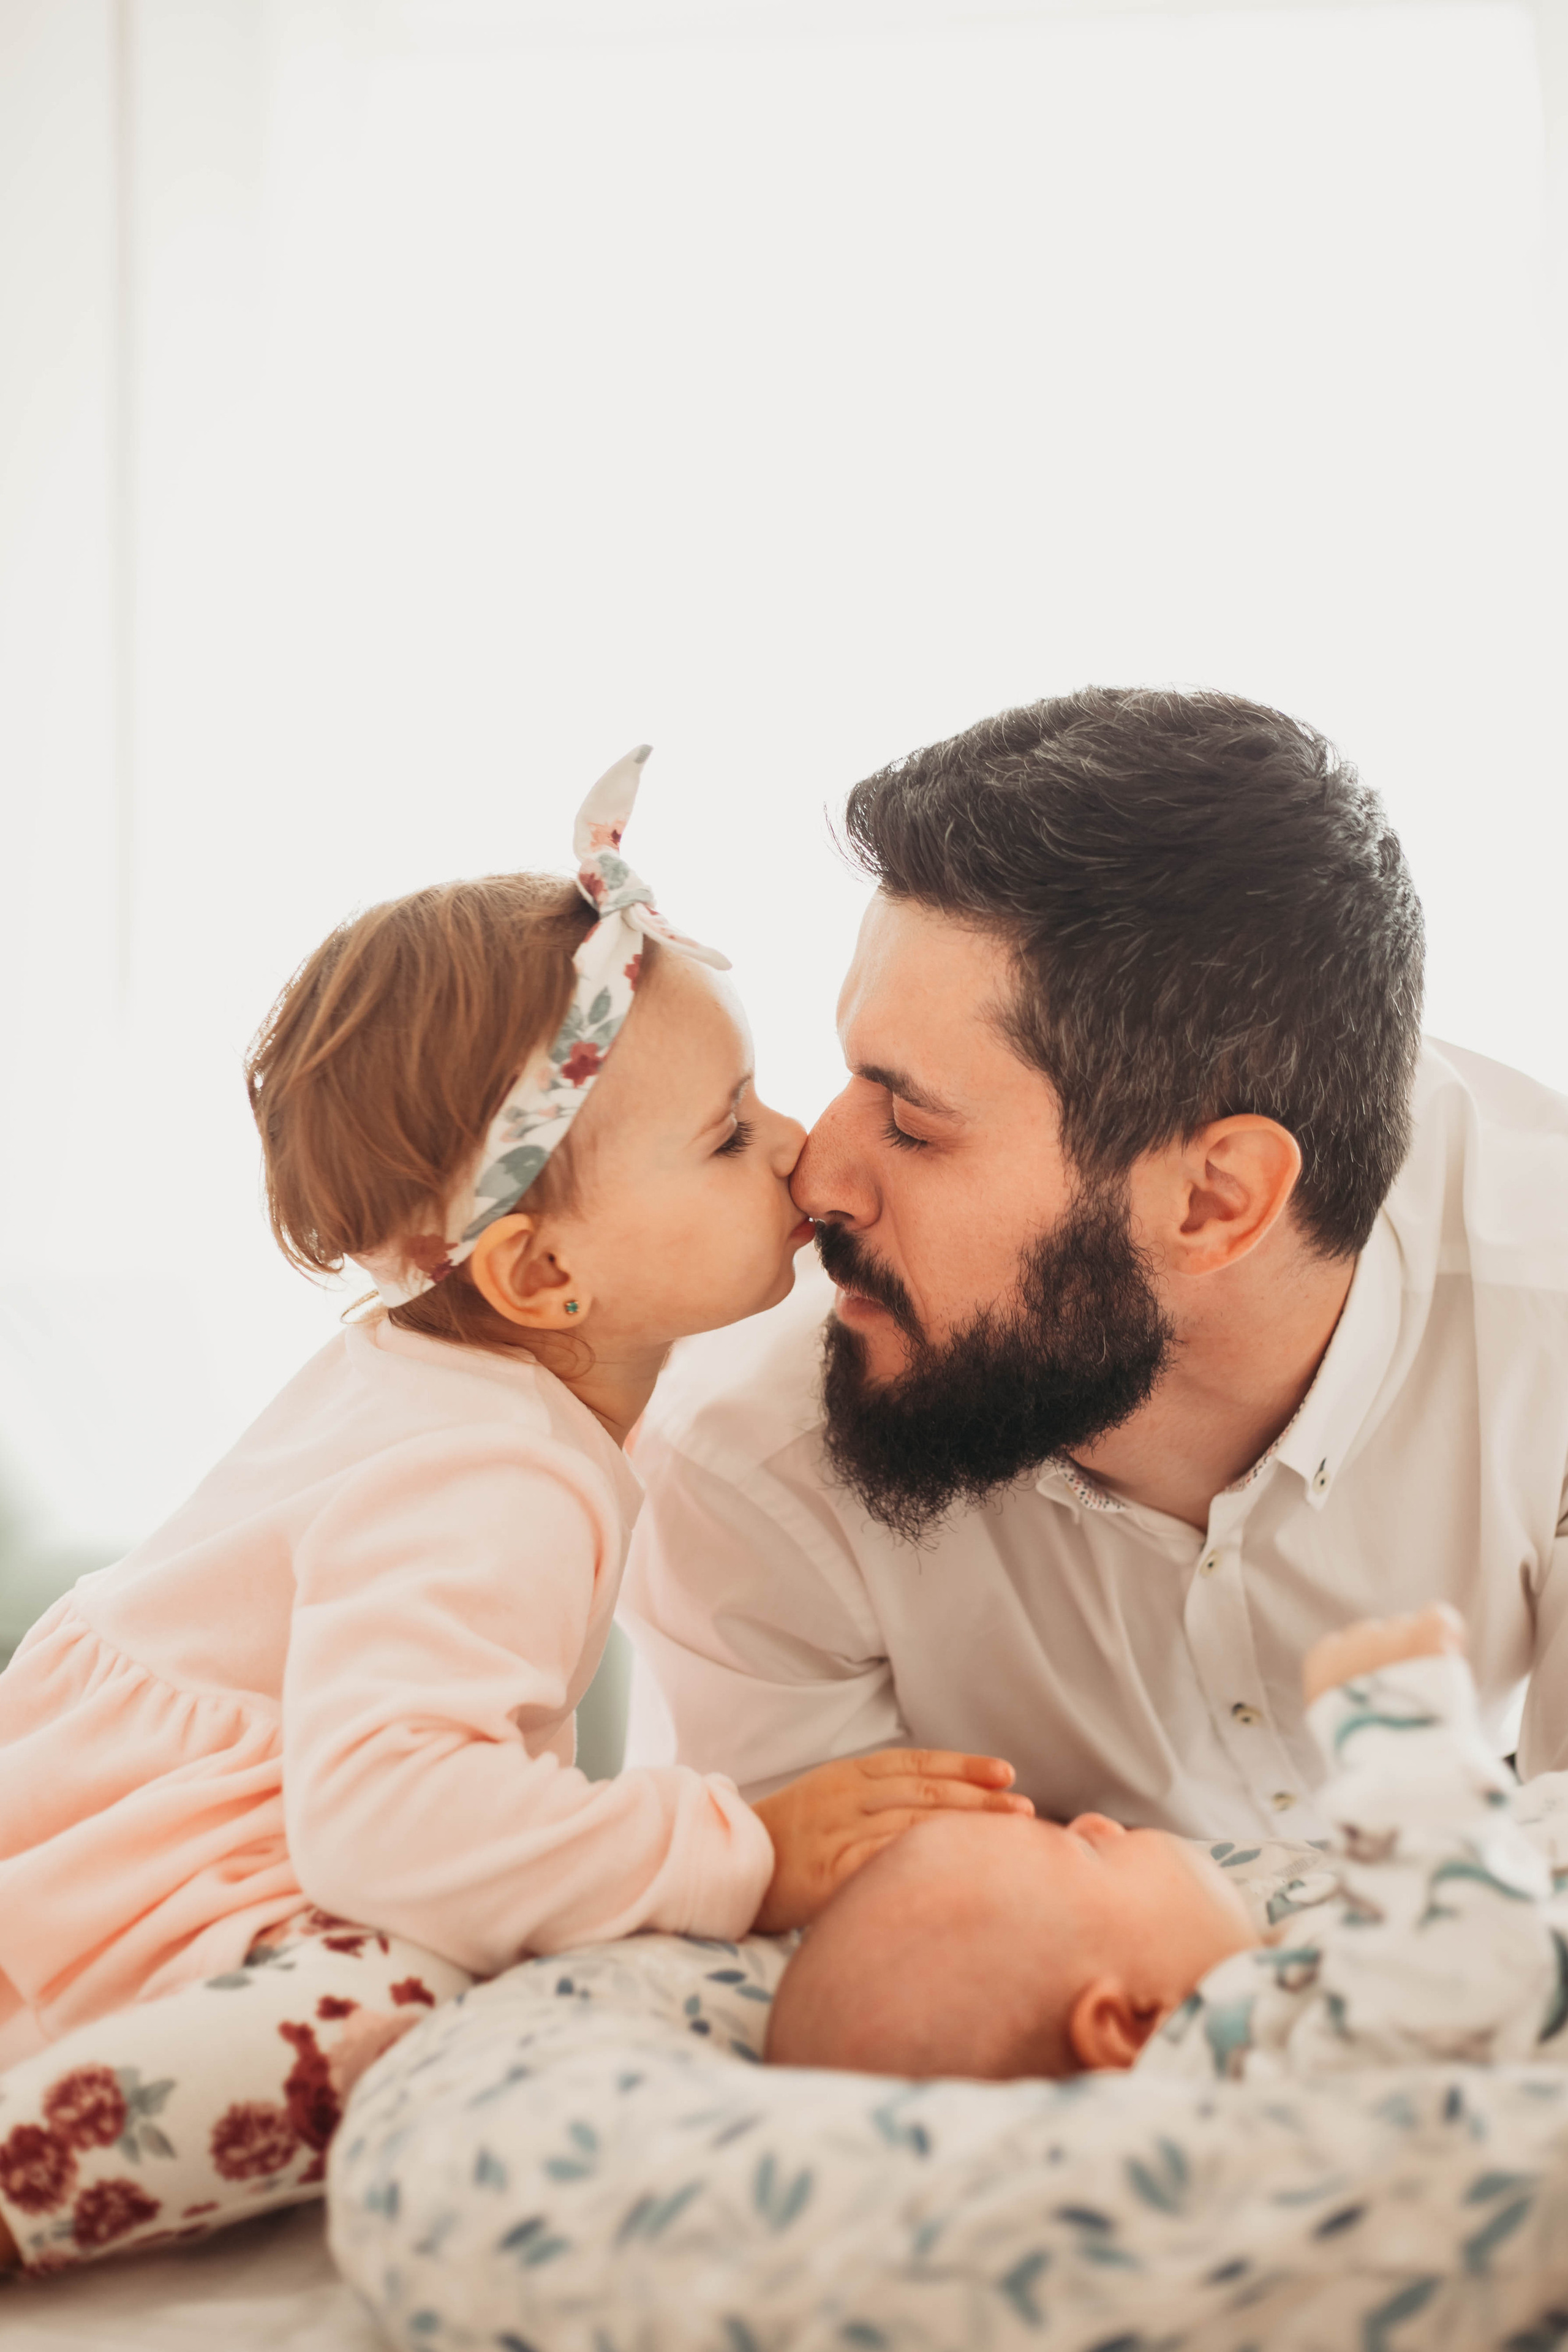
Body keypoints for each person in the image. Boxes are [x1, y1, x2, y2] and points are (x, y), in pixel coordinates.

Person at [0, 750, 1025, 2274]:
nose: (803, 1143)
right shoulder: (489, 1473)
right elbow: (389, 1820)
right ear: (544, 1277)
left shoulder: (457, 1387)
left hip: (136, 1836)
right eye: (729, 1130)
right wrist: (733, 1848)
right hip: (146, 1880)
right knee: (411, 2002)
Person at [622, 688, 1568, 1839]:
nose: (816, 1178)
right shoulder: (742, 1453)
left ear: (1216, 1200)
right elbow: (839, 1972)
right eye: (853, 1075)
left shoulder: (1545, 1308)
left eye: (913, 1125)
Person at [766, 1603, 1568, 2084]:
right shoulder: (1255, 2051)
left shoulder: (1261, 1995)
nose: (1093, 1822)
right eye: (1080, 1851)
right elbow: (1479, 1966)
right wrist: (1398, 1736)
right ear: (1125, 2023)